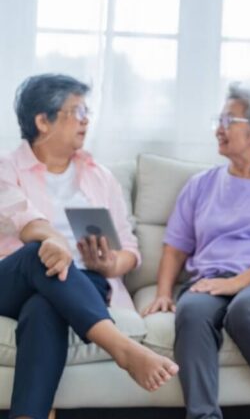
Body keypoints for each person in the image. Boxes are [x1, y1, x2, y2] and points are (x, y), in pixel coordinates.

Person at [0, 73, 179, 419]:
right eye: (78, 112)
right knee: (38, 256)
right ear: (43, 121)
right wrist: (54, 240)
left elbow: (129, 247)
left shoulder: (100, 176)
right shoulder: (6, 168)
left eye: (87, 112)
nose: (86, 121)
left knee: (43, 308)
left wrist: (110, 265)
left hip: (82, 283)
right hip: (11, 277)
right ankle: (123, 349)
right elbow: (24, 220)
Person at [141, 85, 250, 419]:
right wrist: (163, 291)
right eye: (218, 119)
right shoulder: (201, 183)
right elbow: (176, 246)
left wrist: (238, 283)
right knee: (191, 312)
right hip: (211, 277)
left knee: (246, 312)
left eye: (228, 120)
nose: (219, 128)